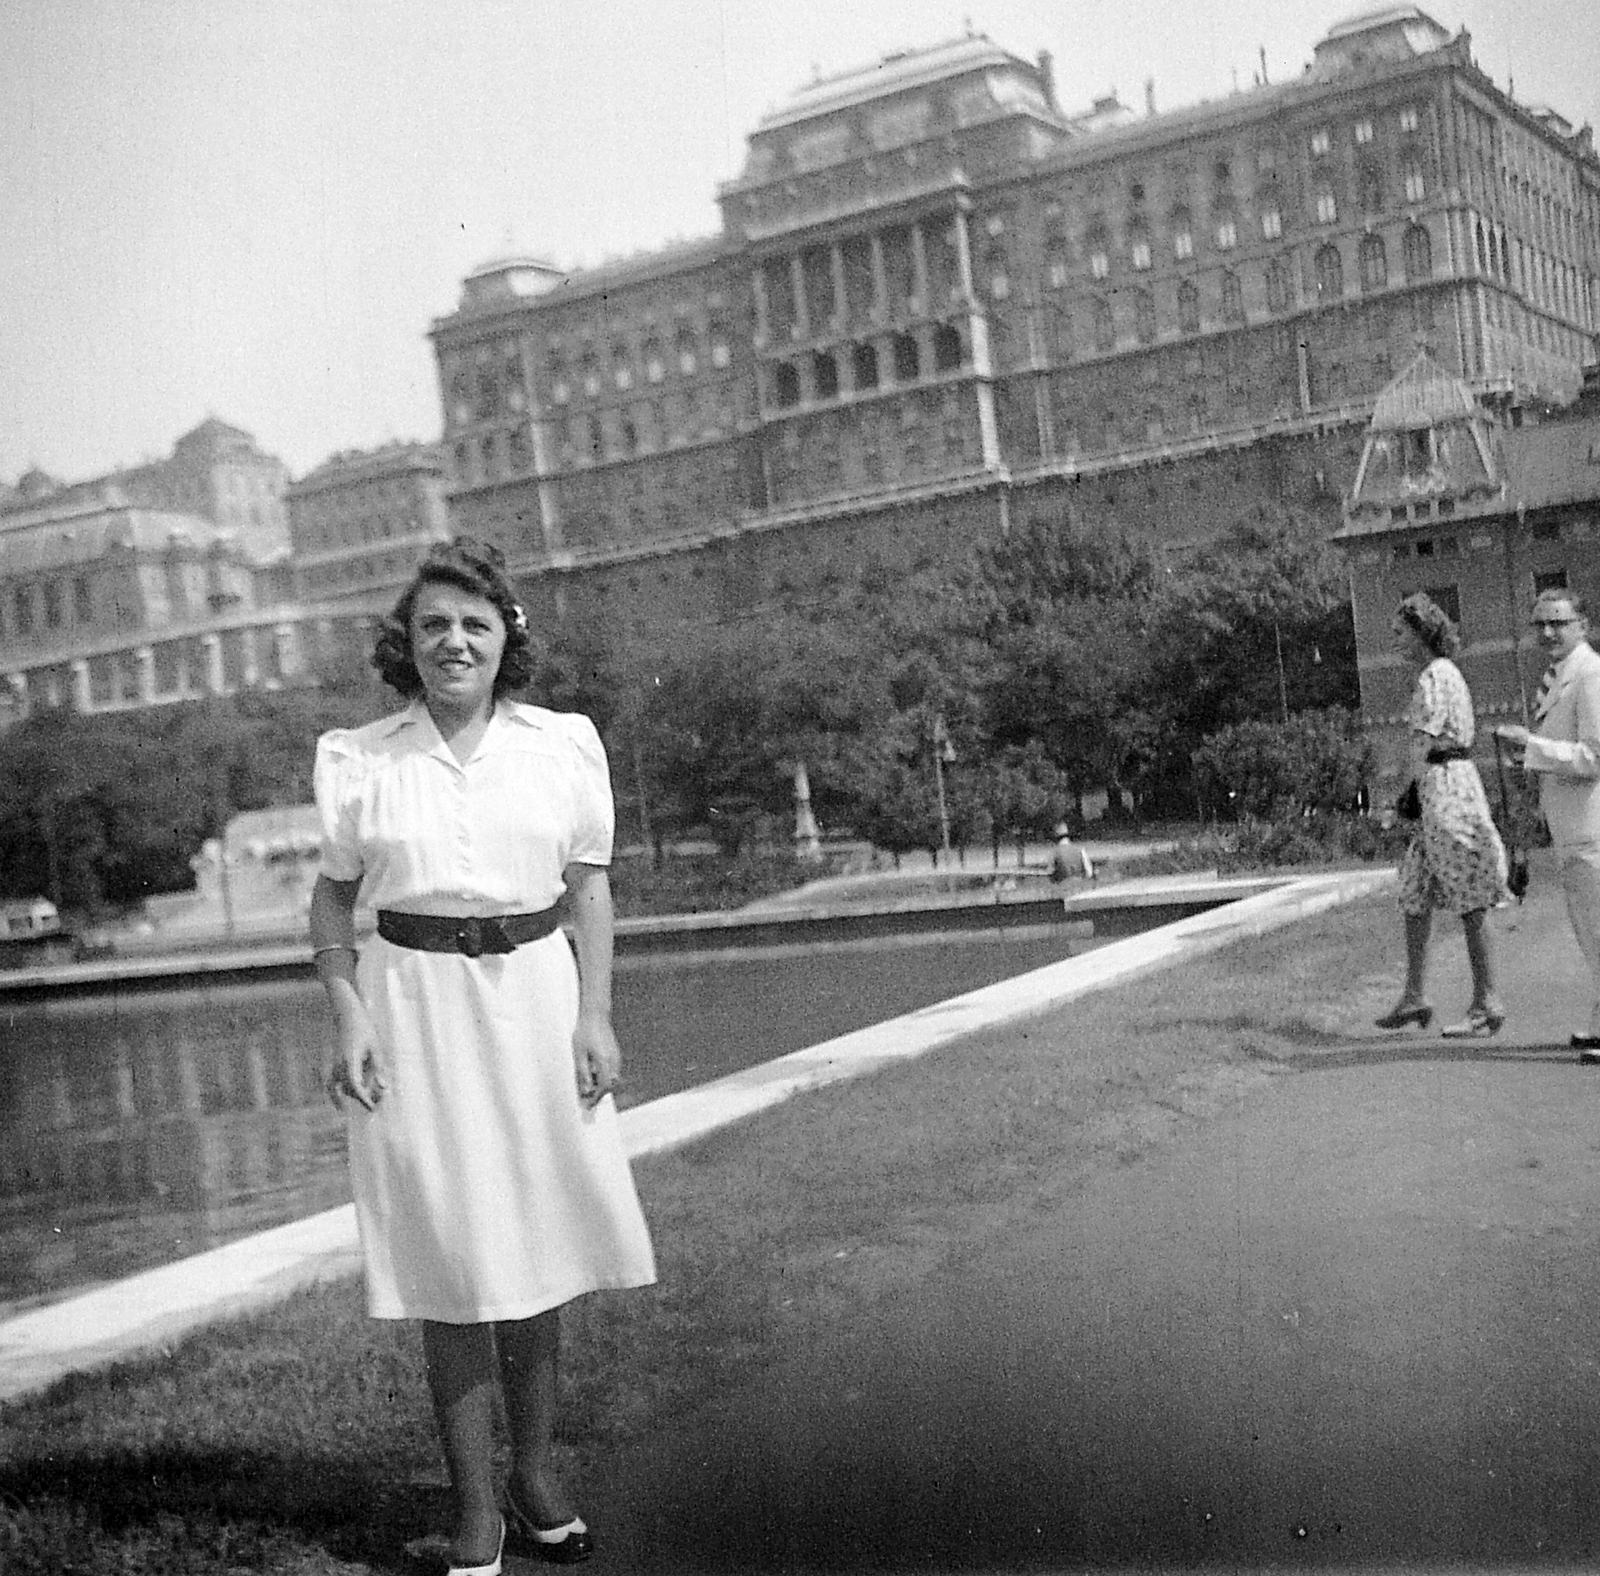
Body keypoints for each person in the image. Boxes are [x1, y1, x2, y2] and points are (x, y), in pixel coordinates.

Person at [309, 537, 655, 1575]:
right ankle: (475, 1510)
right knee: (449, 1257)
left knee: (539, 1242)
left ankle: (535, 1475)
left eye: (475, 623)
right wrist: (347, 1014)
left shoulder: (562, 745)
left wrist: (595, 1016)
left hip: (536, 1002)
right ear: (404, 647)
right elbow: (332, 896)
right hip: (410, 1007)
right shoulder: (358, 756)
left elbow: (587, 887)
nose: (454, 641)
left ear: (508, 640)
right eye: (432, 626)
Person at [1376, 592, 1509, 1038]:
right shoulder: (1434, 674)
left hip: (1448, 789)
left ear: (1422, 633)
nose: (1395, 641)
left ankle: (1486, 1000)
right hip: (1435, 789)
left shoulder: (1436, 675)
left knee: (1470, 893)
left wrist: (1402, 792)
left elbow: (1423, 741)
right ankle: (1414, 995)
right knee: (1415, 890)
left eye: (1400, 633)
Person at [1495, 588, 1600, 1060]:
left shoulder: (1592, 675)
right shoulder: (1558, 676)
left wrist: (1533, 747)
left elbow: (1595, 756)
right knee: (1588, 929)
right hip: (1571, 827)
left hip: (1593, 826)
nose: (1548, 633)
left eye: (1558, 622)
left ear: (1583, 625)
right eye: (1539, 624)